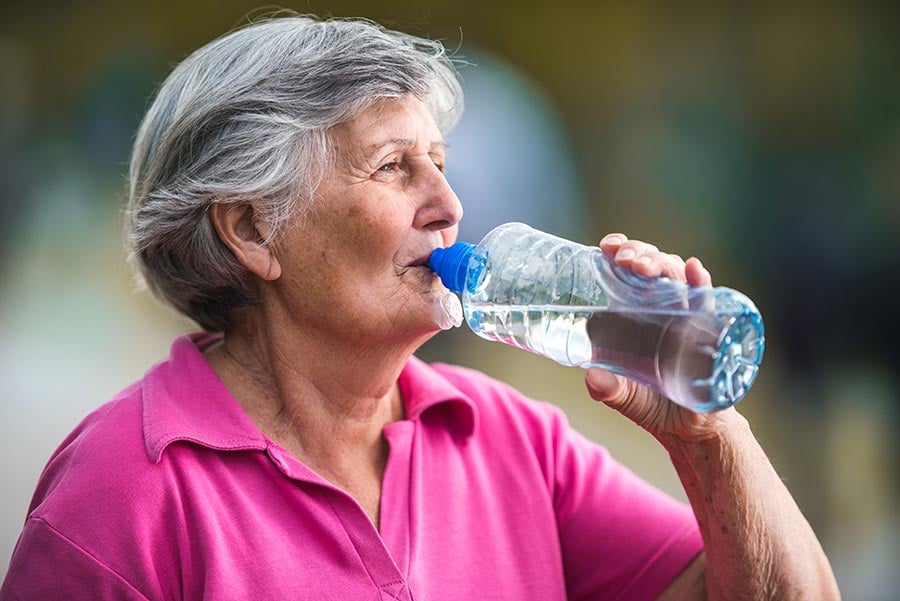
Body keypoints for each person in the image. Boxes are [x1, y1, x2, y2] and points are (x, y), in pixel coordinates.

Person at [1, 15, 839, 601]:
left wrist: (709, 431)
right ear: (254, 229)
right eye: (395, 168)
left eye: (440, 162)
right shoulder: (124, 491)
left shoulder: (515, 441)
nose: (449, 203)